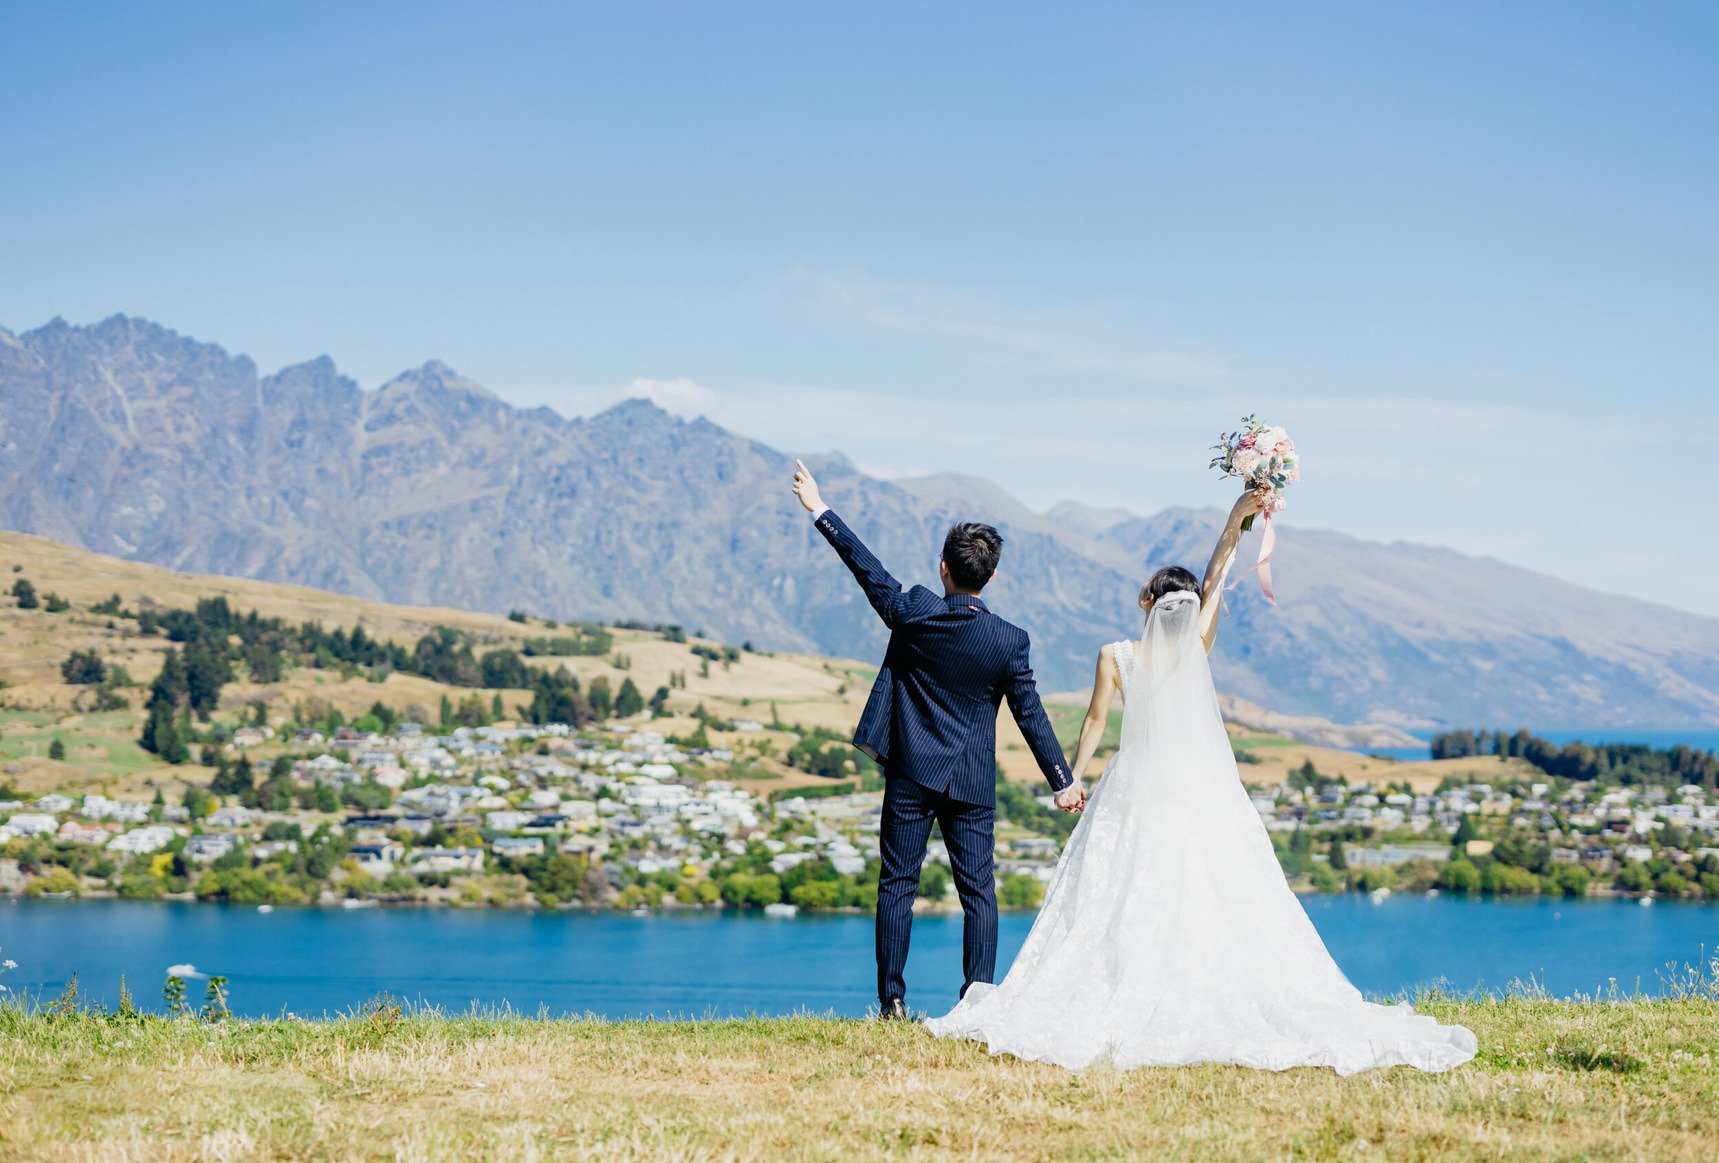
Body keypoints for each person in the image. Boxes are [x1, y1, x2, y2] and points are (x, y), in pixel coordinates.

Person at [923, 490, 1478, 1074]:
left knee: (1116, 892)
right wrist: (1236, 518)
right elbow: (1215, 578)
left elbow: (1093, 722)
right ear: (1186, 609)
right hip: (1197, 792)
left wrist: (1072, 779)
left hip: (1133, 789)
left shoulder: (1116, 656)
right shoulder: (1196, 649)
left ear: (1147, 601)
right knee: (1205, 885)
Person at [791, 459, 1082, 1019]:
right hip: (971, 781)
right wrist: (1062, 781)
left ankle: (892, 1002)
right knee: (980, 894)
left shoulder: (917, 612)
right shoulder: (1009, 641)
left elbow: (868, 571)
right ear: (991, 577)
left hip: (911, 771)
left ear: (943, 568)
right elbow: (1031, 714)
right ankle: (976, 1001)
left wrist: (820, 509)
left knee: (897, 884)